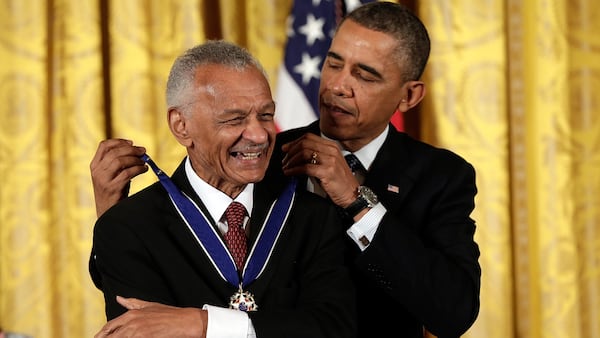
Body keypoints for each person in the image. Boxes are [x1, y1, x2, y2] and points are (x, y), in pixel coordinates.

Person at [90, 2, 481, 337]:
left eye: (365, 75)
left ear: (409, 95)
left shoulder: (442, 177)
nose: (338, 86)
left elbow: (453, 312)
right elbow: (167, 260)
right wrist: (112, 214)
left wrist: (357, 201)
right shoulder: (260, 154)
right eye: (333, 63)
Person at [89, 40, 356, 338]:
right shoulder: (126, 227)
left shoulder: (313, 215)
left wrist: (203, 324)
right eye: (235, 119)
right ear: (181, 126)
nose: (258, 135)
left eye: (266, 116)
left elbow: (336, 329)